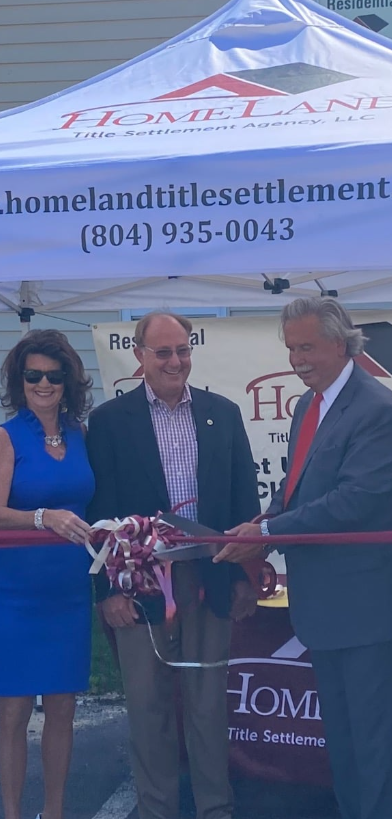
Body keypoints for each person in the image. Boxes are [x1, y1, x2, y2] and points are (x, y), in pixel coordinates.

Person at [215, 297, 392, 819]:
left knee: (374, 749)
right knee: (344, 745)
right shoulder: (308, 404)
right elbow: (296, 491)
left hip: (369, 611)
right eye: (291, 348)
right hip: (324, 608)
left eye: (308, 347)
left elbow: (356, 501)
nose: (297, 359)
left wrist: (268, 531)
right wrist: (260, 526)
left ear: (342, 343)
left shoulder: (377, 409)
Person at [86, 311, 260, 819]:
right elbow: (100, 516)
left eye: (182, 350)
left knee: (208, 704)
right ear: (139, 354)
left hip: (210, 576)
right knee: (148, 705)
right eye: (162, 352)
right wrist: (108, 592)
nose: (174, 361)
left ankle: (215, 808)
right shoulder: (110, 422)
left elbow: (242, 501)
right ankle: (156, 809)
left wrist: (245, 578)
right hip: (140, 584)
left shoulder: (222, 414)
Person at [0, 329, 95, 819]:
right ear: (20, 379)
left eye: (53, 376)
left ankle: (55, 812)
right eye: (33, 374)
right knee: (13, 712)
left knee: (63, 708)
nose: (43, 383)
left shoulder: (81, 434)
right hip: (15, 594)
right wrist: (43, 516)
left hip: (70, 592)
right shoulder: (6, 436)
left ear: (68, 381)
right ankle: (12, 813)